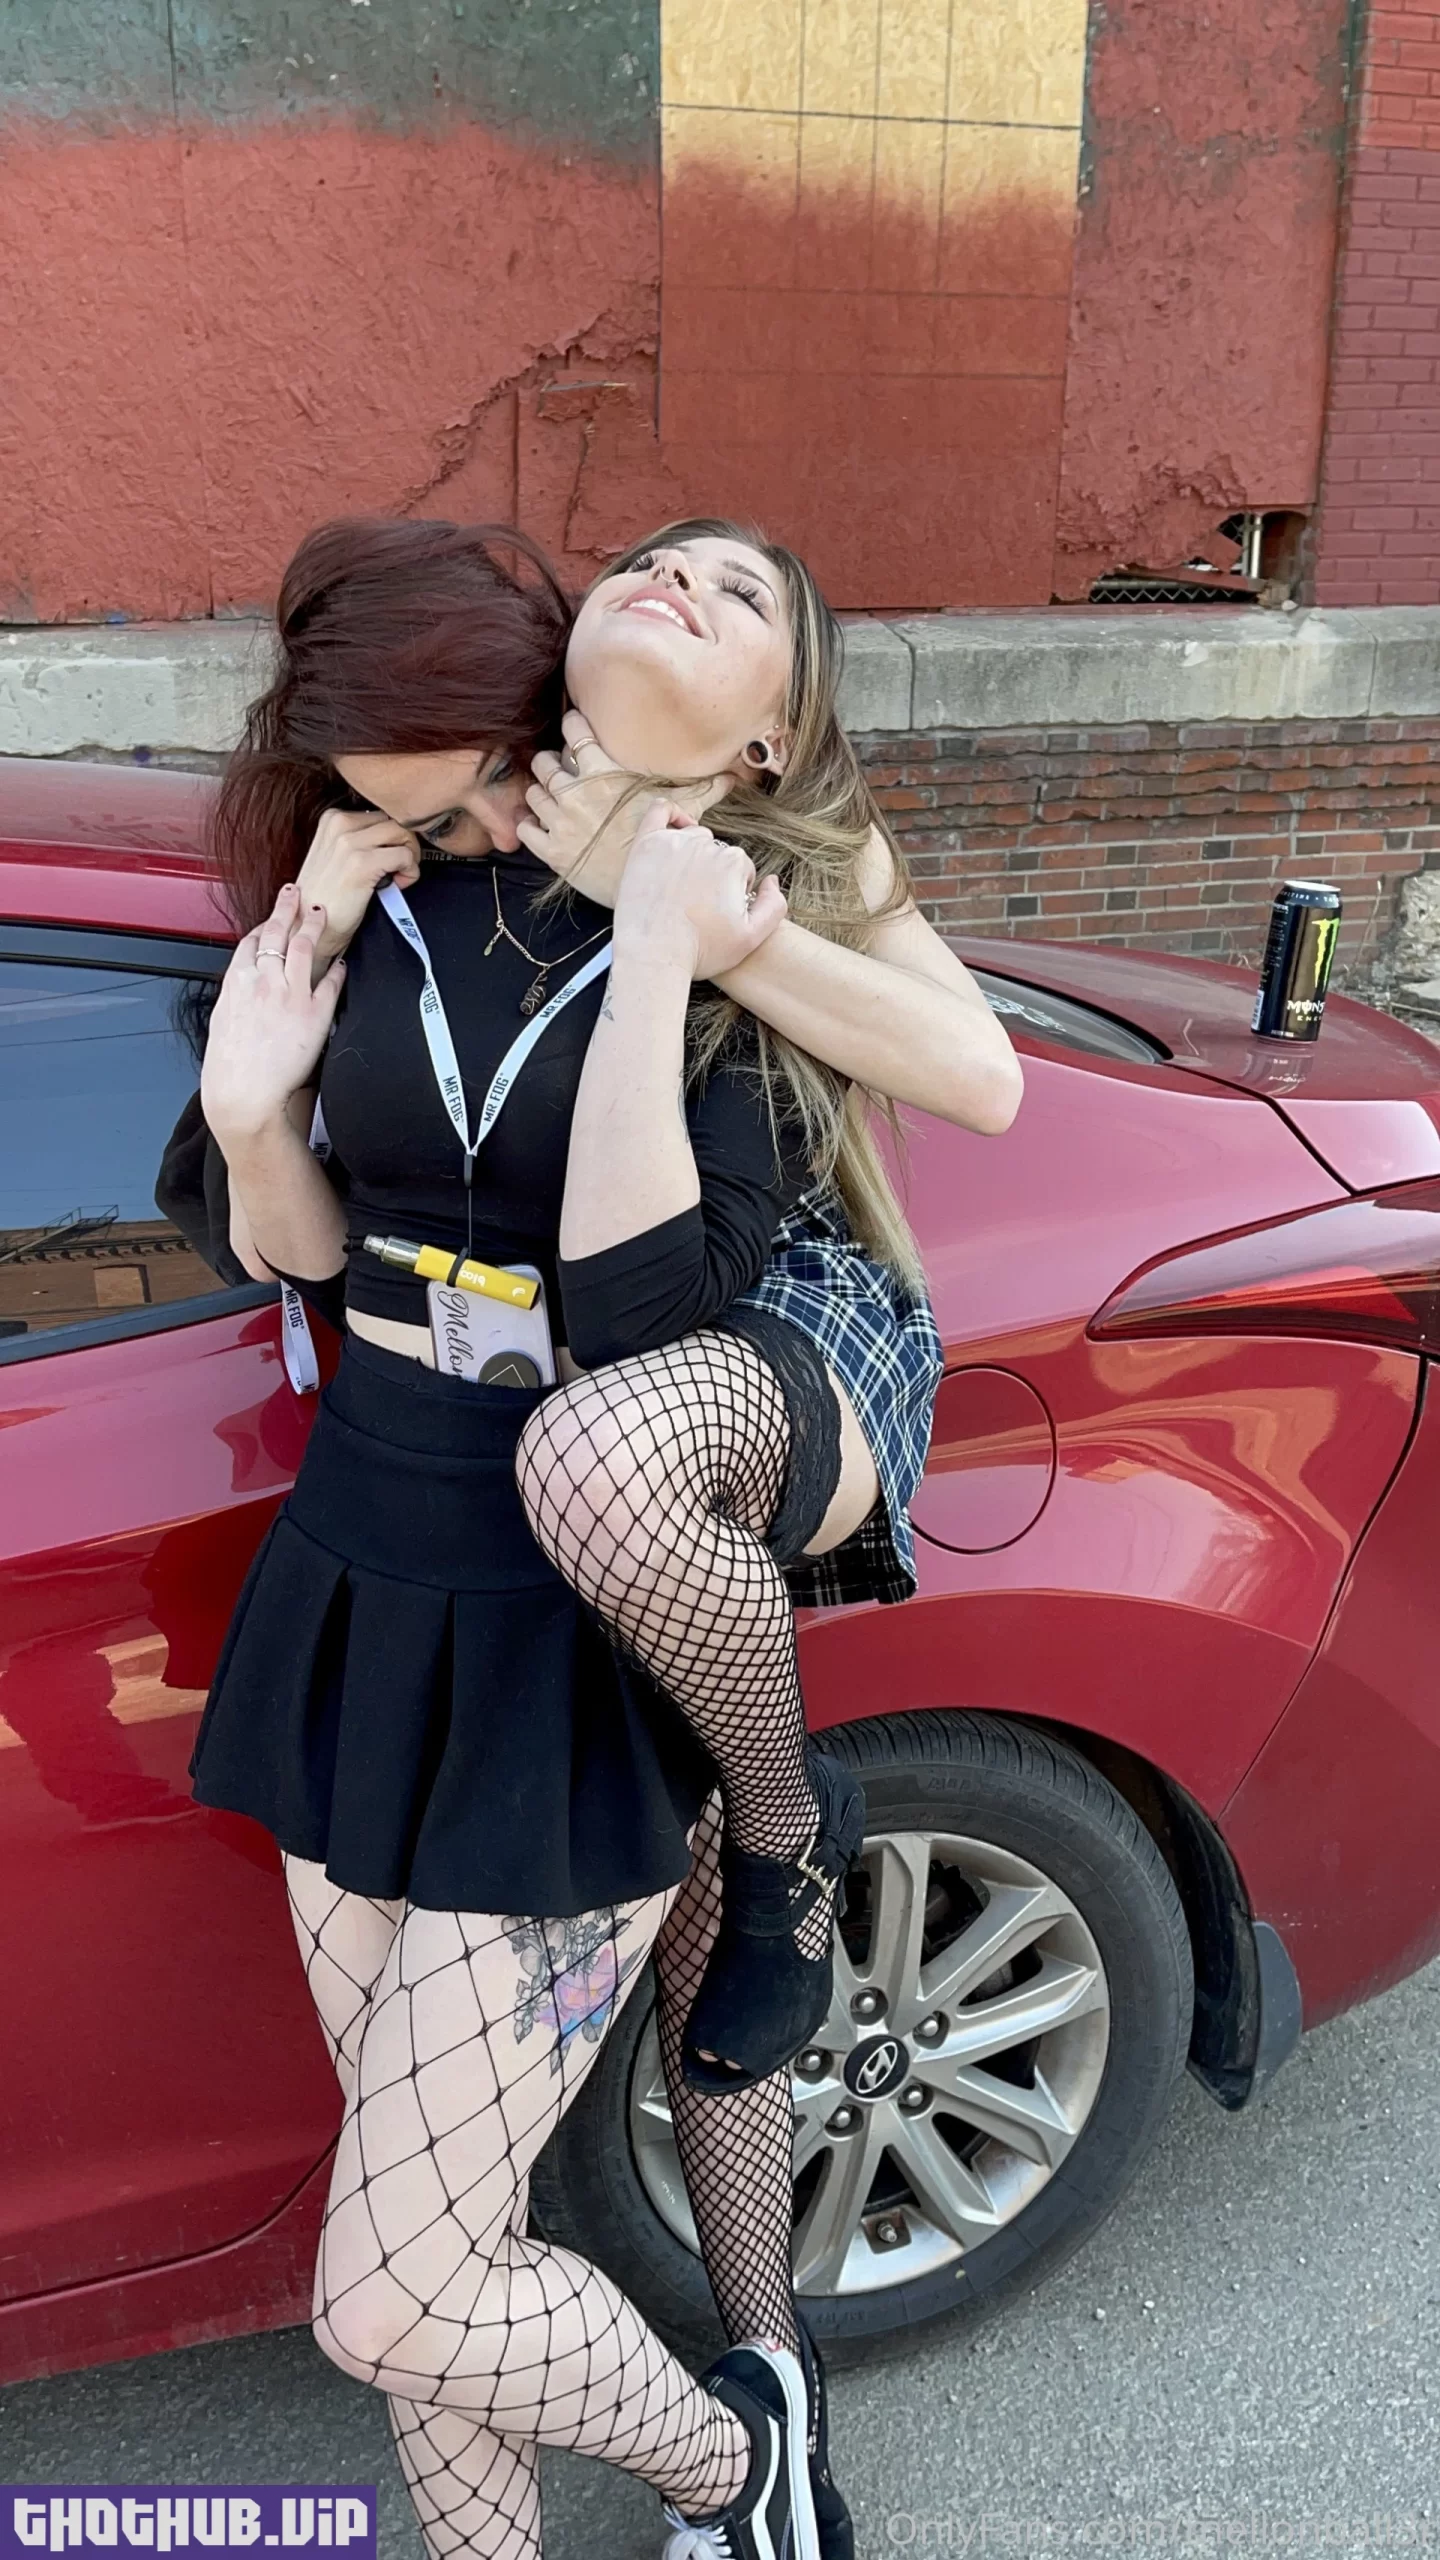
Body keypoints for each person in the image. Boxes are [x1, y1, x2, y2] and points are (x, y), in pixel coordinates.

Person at [182, 514, 1021, 2560]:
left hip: (566, 1613)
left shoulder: (745, 909)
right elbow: (296, 1251)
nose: (684, 593)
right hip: (362, 1571)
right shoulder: (381, 895)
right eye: (660, 567)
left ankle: (741, 2462)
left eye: (742, 598)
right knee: (431, 2238)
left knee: (389, 2287)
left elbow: (666, 1300)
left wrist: (672, 937)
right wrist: (253, 1103)